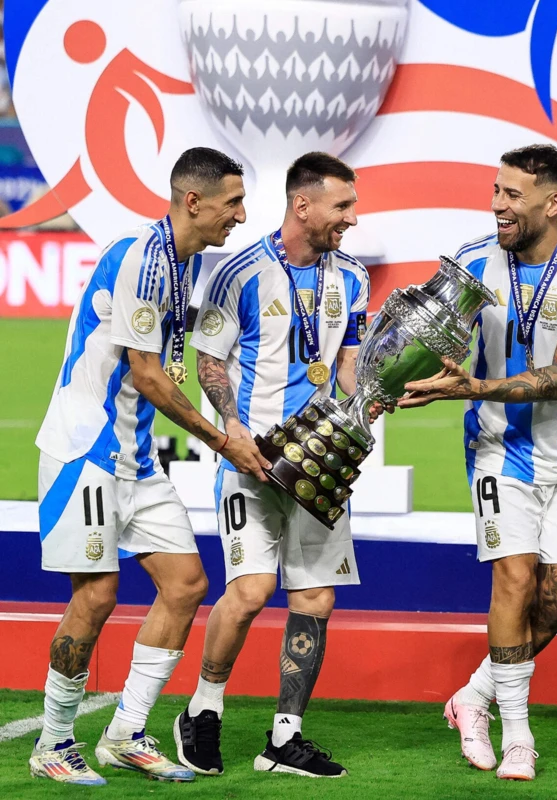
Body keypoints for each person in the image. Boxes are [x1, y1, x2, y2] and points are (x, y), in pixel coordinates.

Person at [30, 147, 266, 784]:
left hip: (134, 454)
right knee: (97, 595)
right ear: (195, 201)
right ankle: (53, 743)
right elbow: (148, 374)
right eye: (233, 202)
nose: (240, 215)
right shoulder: (140, 254)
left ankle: (125, 732)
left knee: (186, 585)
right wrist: (223, 441)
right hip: (86, 450)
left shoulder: (181, 264)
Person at [397, 144, 557, 781]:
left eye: (513, 195)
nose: (497, 204)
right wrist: (400, 379)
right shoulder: (470, 263)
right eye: (496, 191)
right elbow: (431, 342)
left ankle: (474, 694)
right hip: (497, 451)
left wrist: (472, 386)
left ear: (554, 203)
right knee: (515, 582)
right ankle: (518, 736)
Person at [175, 152, 369, 779]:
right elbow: (208, 359)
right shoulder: (238, 273)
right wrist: (230, 425)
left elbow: (347, 360)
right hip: (252, 458)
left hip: (319, 464)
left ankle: (285, 737)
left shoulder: (355, 279)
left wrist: (363, 402)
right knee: (252, 591)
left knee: (315, 596)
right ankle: (202, 710)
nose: (352, 217)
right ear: (302, 204)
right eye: (342, 206)